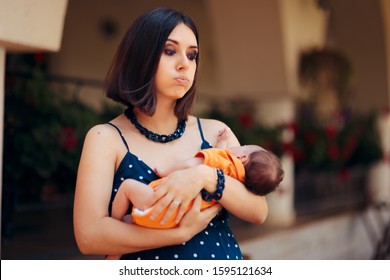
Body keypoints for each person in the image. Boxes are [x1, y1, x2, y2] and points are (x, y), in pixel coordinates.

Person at [73, 7, 268, 260]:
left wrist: (205, 176)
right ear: (141, 56)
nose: (184, 64)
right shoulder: (105, 138)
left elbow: (259, 211)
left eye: (192, 55)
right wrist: (178, 234)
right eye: (169, 51)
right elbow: (89, 236)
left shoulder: (215, 132)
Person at [105, 128, 283, 259]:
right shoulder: (238, 181)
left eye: (242, 147)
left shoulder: (225, 161)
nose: (238, 147)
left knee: (128, 188)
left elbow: (193, 164)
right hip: (182, 217)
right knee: (135, 220)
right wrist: (222, 143)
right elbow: (219, 154)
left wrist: (166, 171)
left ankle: (116, 238)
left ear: (242, 158)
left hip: (165, 204)